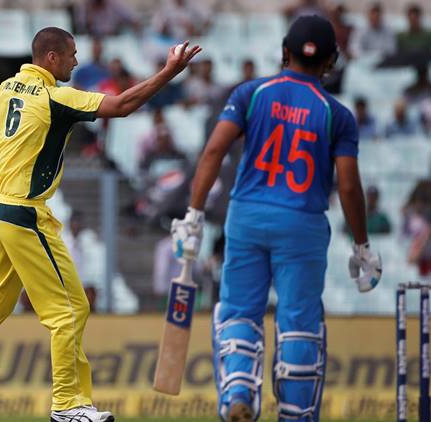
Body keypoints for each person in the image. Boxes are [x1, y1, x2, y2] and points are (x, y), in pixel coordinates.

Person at [0, 27, 200, 422]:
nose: (76, 61)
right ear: (52, 57)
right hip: (24, 214)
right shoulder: (57, 97)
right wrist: (169, 72)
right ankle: (67, 405)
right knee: (69, 308)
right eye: (72, 54)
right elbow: (123, 104)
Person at [173, 16, 381, 422]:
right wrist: (362, 245)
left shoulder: (252, 93)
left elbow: (213, 151)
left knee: (238, 312)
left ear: (285, 52)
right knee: (299, 322)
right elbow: (348, 186)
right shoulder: (336, 114)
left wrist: (193, 215)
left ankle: (238, 390)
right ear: (331, 61)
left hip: (247, 217)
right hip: (302, 224)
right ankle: (295, 414)